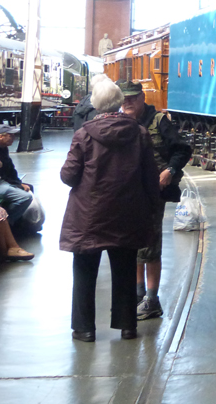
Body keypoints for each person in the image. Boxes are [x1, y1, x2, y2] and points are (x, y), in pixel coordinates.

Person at [60, 79, 160, 343]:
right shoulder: (139, 134)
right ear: (118, 103)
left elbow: (68, 176)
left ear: (94, 103)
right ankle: (128, 325)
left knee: (84, 269)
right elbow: (150, 176)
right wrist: (151, 208)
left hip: (89, 215)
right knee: (125, 267)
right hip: (127, 212)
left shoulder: (83, 134)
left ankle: (85, 328)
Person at [119, 80, 192, 321]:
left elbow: (182, 149)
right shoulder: (119, 122)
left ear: (142, 98)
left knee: (150, 244)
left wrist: (169, 171)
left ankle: (152, 298)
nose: (128, 103)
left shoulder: (159, 121)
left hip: (153, 192)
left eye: (132, 98)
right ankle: (139, 293)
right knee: (132, 243)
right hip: (128, 192)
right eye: (124, 99)